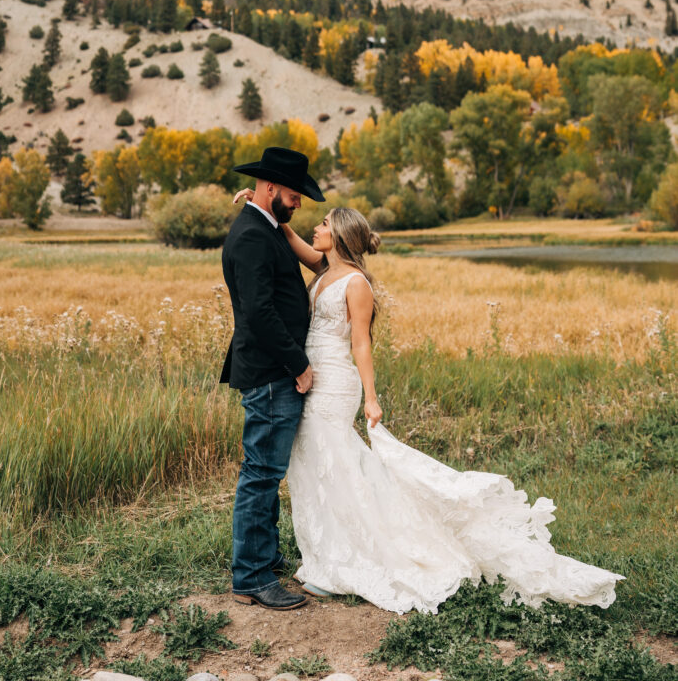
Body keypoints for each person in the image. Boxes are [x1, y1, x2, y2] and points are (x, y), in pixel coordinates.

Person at [233, 194, 625, 614]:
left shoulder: (357, 283)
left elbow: (362, 343)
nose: (317, 227)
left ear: (340, 235)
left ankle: (348, 559)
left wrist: (372, 397)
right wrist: (267, 210)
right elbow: (297, 242)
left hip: (335, 383)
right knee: (315, 465)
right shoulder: (326, 269)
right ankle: (327, 553)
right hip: (313, 378)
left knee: (337, 465)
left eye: (325, 223)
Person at [221, 146, 325, 611]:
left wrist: (271, 214)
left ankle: (266, 557)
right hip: (270, 372)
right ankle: (251, 577)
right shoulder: (251, 236)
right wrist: (298, 365)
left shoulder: (264, 226)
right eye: (294, 194)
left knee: (267, 472)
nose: (299, 202)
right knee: (261, 474)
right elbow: (259, 313)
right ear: (269, 188)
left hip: (271, 371)